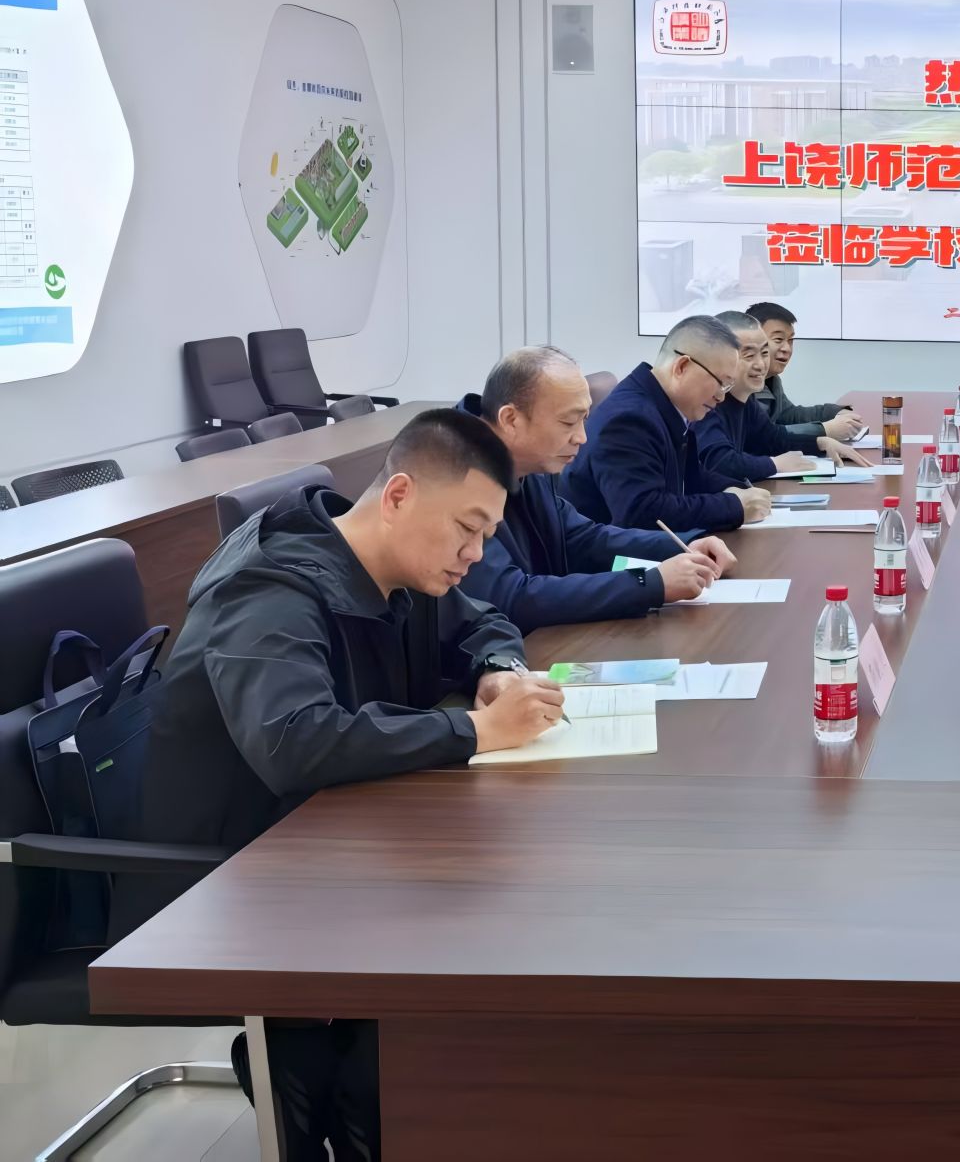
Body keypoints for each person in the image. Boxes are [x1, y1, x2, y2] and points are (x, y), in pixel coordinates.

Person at [134, 409, 567, 1160]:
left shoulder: (396, 560)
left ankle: (366, 1088)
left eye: (487, 535)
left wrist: (497, 668)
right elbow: (294, 742)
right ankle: (321, 1076)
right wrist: (474, 731)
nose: (474, 554)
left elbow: (483, 620)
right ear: (399, 495)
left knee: (496, 896)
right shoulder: (268, 589)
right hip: (229, 873)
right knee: (468, 924)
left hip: (325, 836)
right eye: (466, 529)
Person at [457, 346, 738, 631]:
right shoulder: (455, 473)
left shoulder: (525, 462)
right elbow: (511, 597)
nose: (581, 437)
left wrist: (684, 544)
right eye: (568, 422)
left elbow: (582, 537)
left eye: (584, 420)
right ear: (510, 419)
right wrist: (649, 584)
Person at [562, 315, 772, 534]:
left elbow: (691, 477)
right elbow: (642, 513)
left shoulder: (665, 406)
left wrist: (737, 490)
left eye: (727, 386)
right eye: (720, 383)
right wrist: (733, 507)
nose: (721, 397)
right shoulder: (630, 420)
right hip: (606, 553)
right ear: (682, 366)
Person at [695, 311, 870, 481]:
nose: (760, 365)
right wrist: (774, 464)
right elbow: (720, 462)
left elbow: (772, 438)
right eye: (749, 355)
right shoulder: (706, 403)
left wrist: (820, 443)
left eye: (764, 353)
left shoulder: (746, 399)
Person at [747, 300, 865, 442]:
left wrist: (834, 412)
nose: (787, 348)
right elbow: (762, 437)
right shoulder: (743, 384)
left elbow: (788, 415)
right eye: (778, 339)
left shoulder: (771, 379)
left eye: (790, 340)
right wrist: (825, 430)